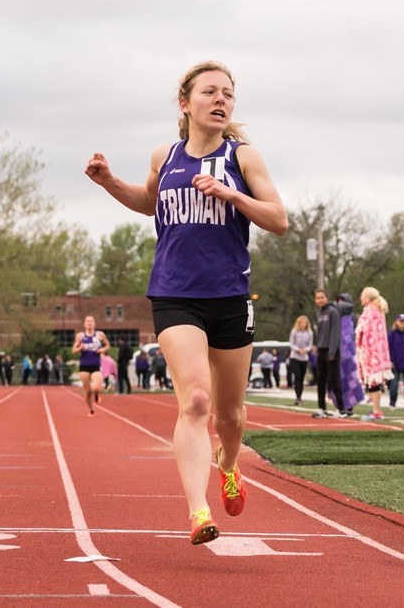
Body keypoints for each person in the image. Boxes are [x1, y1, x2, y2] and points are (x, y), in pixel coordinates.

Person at [85, 60, 287, 545]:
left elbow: (278, 219)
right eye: (211, 92)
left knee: (229, 416)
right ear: (185, 103)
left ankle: (229, 463)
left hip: (231, 297)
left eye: (228, 94)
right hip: (175, 294)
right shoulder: (165, 155)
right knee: (195, 399)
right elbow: (148, 202)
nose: (221, 100)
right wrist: (109, 182)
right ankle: (198, 511)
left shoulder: (244, 159)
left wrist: (229, 194)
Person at [356, 287, 392, 421]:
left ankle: (376, 410)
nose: (360, 298)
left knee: (373, 382)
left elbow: (362, 331)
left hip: (372, 352)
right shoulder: (378, 311)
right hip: (378, 351)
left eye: (362, 296)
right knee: (374, 382)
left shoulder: (370, 312)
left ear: (368, 298)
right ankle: (376, 409)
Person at [312, 289, 343, 418]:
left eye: (322, 297)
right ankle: (321, 408)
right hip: (321, 350)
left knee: (333, 380)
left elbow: (335, 332)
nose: (320, 300)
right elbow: (319, 333)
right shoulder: (320, 313)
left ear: (326, 298)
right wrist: (316, 346)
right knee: (320, 380)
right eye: (317, 298)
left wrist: (332, 351)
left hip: (331, 351)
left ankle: (340, 409)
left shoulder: (333, 311)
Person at [73, 315, 110, 416]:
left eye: (91, 321)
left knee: (96, 388)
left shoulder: (100, 335)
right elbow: (73, 350)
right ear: (84, 324)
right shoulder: (80, 336)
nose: (89, 323)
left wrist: (103, 349)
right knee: (88, 391)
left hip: (95, 365)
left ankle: (97, 394)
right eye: (87, 321)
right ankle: (91, 409)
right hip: (84, 366)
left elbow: (107, 345)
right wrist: (80, 348)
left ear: (94, 323)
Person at [335, 293, 364, 416]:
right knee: (338, 380)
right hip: (337, 352)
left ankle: (350, 406)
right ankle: (340, 405)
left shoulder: (352, 319)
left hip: (350, 354)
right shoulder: (334, 317)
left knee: (351, 380)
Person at [287, 316, 313, 405]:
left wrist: (305, 350)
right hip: (295, 356)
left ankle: (300, 397)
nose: (303, 324)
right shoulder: (294, 331)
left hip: (304, 357)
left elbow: (310, 345)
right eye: (301, 323)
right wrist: (298, 349)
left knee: (301, 378)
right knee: (297, 376)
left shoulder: (309, 333)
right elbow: (291, 344)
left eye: (304, 323)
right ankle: (297, 397)